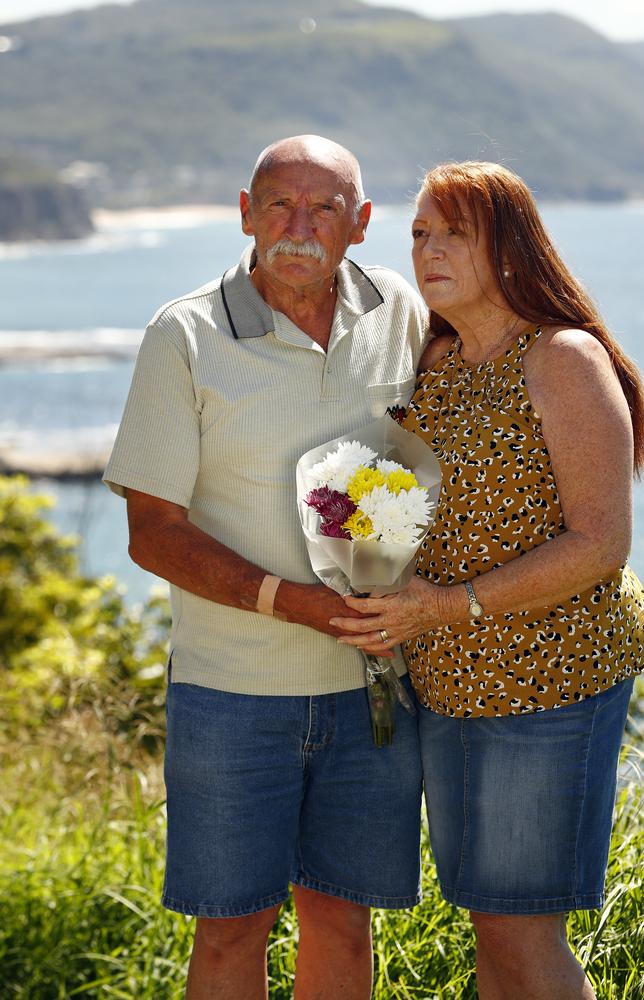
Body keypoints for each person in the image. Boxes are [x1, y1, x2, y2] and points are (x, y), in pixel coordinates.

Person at [103, 135, 430, 1000]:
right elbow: (152, 532)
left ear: (361, 225)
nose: (300, 225)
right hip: (231, 695)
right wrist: (293, 604)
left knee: (342, 920)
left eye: (325, 207)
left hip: (373, 688)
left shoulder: (402, 310)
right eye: (279, 202)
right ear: (243, 212)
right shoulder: (185, 334)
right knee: (230, 933)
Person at [331, 160, 644, 999]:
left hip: (549, 685)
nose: (429, 250)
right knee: (490, 926)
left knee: (520, 931)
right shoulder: (434, 362)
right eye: (420, 233)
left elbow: (601, 543)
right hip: (451, 684)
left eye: (455, 232)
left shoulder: (563, 358)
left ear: (510, 244)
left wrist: (447, 605)